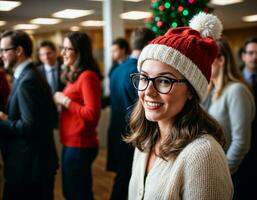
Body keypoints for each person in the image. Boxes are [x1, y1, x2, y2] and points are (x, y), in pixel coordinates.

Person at [126, 12, 233, 199]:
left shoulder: (202, 155)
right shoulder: (146, 140)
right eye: (144, 78)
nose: (148, 91)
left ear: (191, 90)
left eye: (164, 81)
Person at [0, 30, 58, 200]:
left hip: (30, 168)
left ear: (18, 51)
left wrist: (2, 122)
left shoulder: (28, 80)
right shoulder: (27, 75)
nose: (1, 55)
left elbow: (30, 126)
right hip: (30, 165)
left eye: (4, 50)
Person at [107, 28, 155, 200]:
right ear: (150, 44)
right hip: (136, 135)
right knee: (130, 182)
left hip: (116, 131)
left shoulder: (116, 70)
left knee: (122, 178)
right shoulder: (142, 70)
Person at [54, 31, 102, 200]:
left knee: (78, 194)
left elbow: (92, 114)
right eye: (63, 48)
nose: (62, 53)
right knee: (72, 192)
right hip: (72, 142)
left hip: (81, 144)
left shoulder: (87, 77)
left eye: (68, 49)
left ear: (79, 52)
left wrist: (65, 101)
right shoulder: (75, 75)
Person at [232, 36, 257, 199]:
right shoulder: (235, 81)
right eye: (250, 53)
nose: (254, 57)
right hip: (243, 148)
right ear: (243, 56)